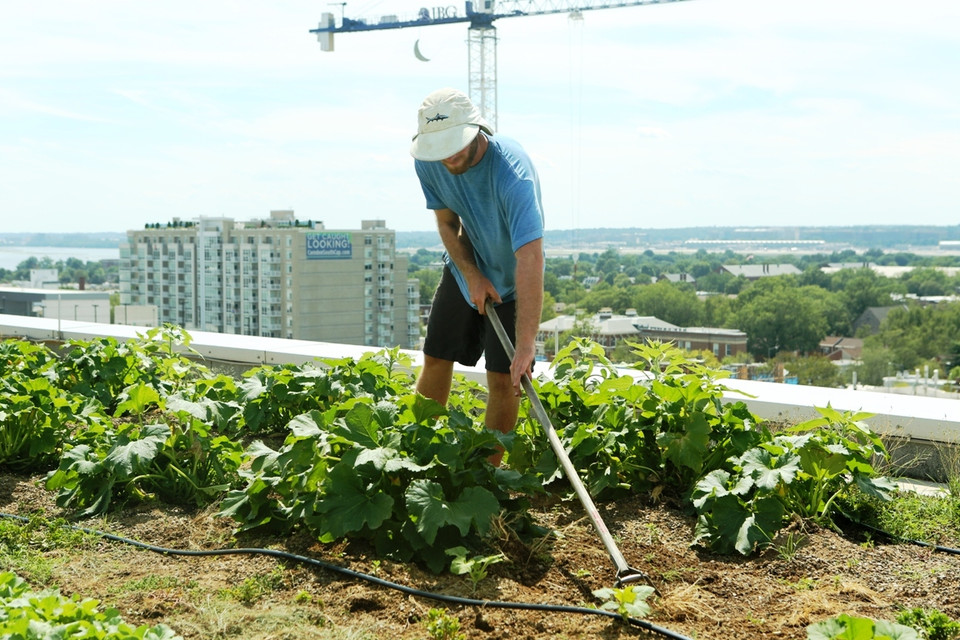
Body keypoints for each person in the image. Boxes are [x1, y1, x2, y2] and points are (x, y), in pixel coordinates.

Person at [410, 87, 545, 464]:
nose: (447, 156)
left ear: (475, 131)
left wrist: (526, 345)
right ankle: (417, 454)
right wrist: (470, 274)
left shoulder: (512, 175)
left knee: (505, 379)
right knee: (436, 355)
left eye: (454, 145)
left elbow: (531, 259)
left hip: (514, 277)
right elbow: (447, 222)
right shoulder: (430, 161)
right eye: (439, 149)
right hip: (466, 259)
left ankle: (484, 478)